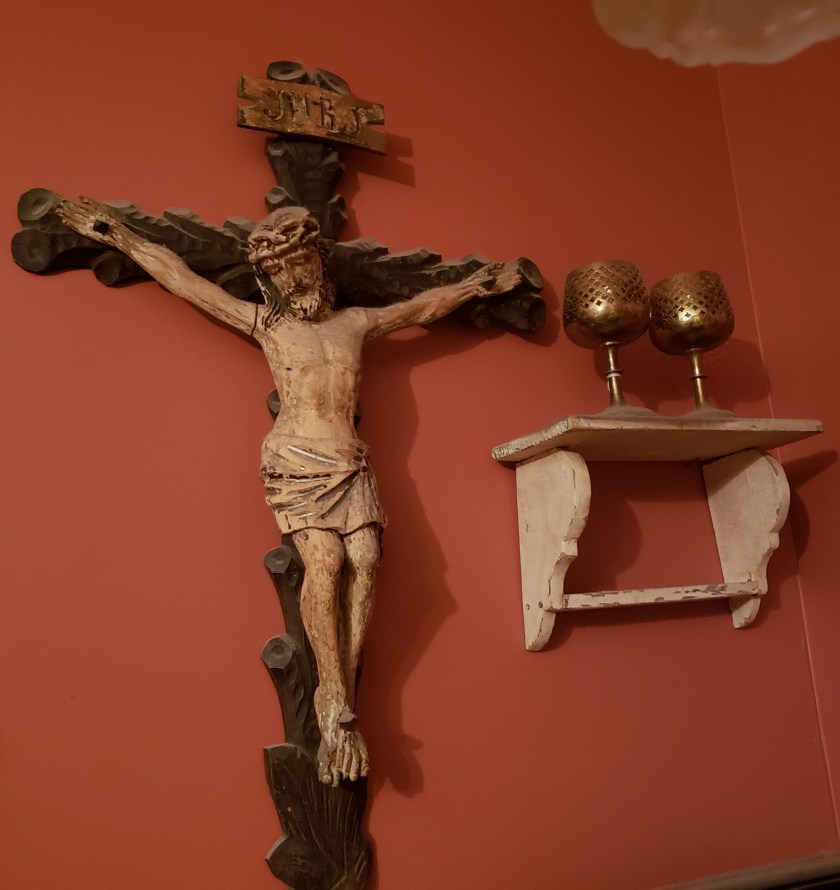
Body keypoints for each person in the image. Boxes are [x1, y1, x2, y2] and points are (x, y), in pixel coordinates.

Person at [56, 198, 522, 785]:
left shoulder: (356, 323)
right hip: (297, 457)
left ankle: (337, 693)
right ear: (269, 278)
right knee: (325, 563)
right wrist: (120, 236)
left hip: (350, 459)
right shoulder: (269, 325)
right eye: (280, 271)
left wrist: (478, 285)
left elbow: (421, 305)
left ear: (319, 264)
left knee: (367, 559)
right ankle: (335, 702)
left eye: (302, 265)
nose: (294, 279)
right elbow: (184, 280)